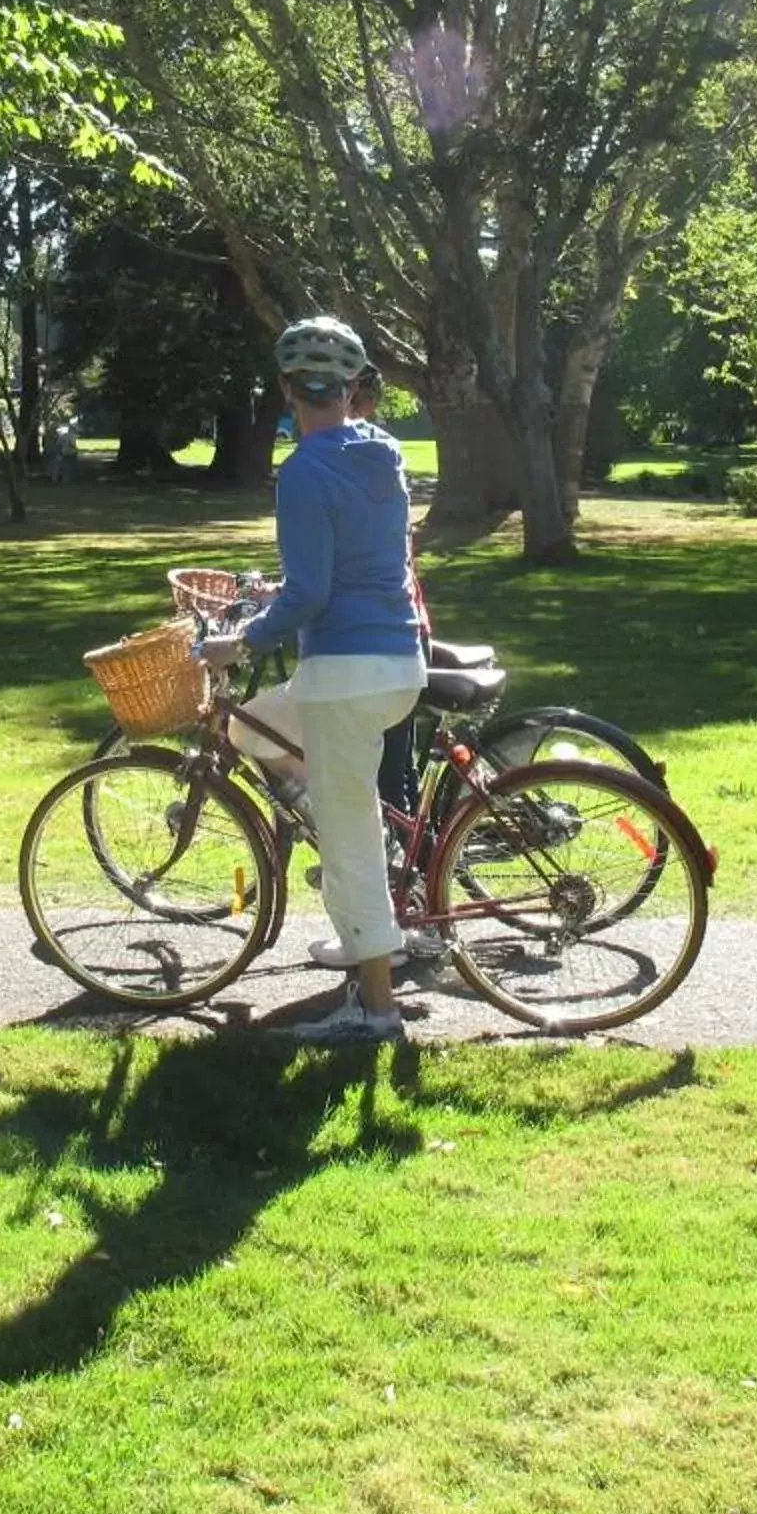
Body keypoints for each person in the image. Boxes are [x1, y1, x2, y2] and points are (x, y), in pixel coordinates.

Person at [198, 315, 424, 1043]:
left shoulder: (302, 472)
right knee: (249, 724)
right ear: (355, 387)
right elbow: (346, 563)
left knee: (349, 835)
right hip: (397, 661)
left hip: (347, 673)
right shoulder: (382, 452)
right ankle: (368, 927)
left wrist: (241, 640)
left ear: (287, 388)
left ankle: (376, 1008)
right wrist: (280, 599)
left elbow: (315, 594)